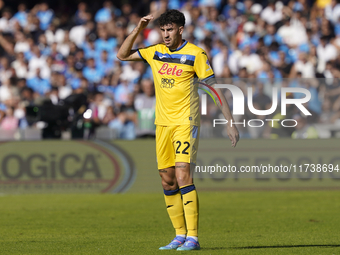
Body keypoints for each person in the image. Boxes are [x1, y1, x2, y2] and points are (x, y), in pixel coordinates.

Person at [117, 10, 239, 251]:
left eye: (170, 29)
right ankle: (179, 235)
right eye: (162, 30)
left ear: (180, 29)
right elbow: (122, 55)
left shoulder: (195, 54)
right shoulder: (155, 52)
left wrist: (229, 121)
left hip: (186, 121)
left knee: (183, 174)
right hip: (162, 124)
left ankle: (193, 237)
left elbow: (213, 89)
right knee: (167, 179)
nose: (165, 34)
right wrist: (138, 29)